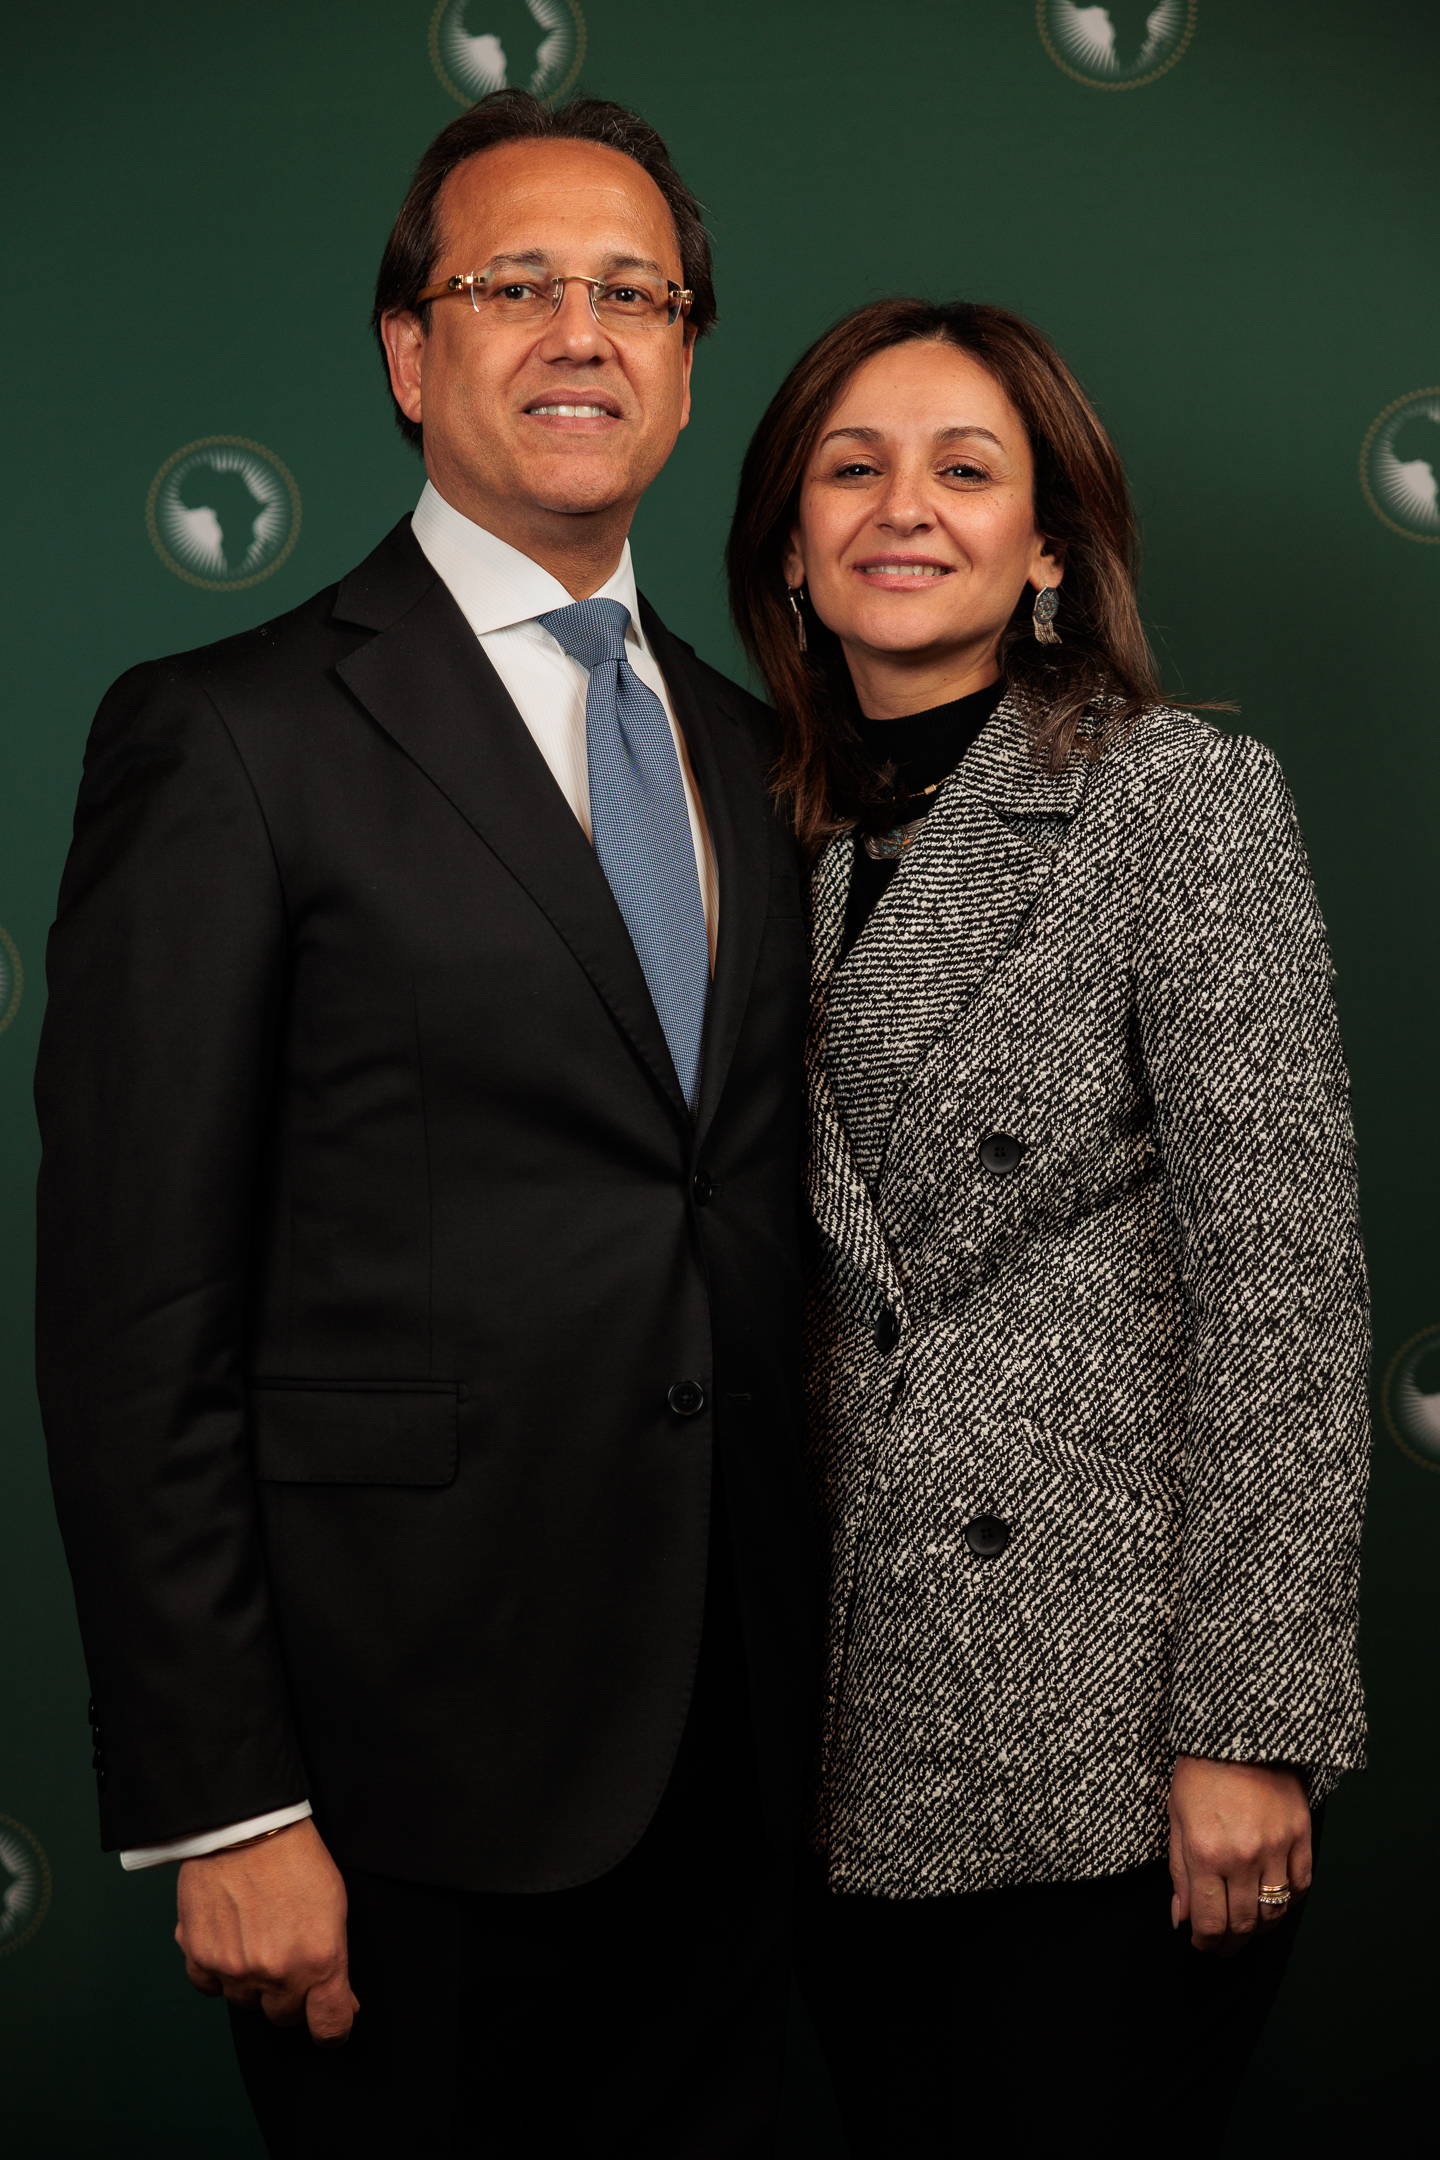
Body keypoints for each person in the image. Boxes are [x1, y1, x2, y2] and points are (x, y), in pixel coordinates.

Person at [37, 91, 816, 2158]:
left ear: (684, 370)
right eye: (517, 285)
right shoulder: (228, 737)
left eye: (636, 295)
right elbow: (134, 1315)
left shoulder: (754, 752)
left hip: (743, 1768)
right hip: (393, 1795)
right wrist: (228, 1803)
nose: (584, 333)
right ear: (408, 352)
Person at [726, 299, 1370, 2153]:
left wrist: (1251, 1720)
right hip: (838, 1724)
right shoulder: (744, 839)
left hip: (1110, 1722)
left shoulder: (1176, 799)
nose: (902, 507)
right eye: (851, 468)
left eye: (965, 468)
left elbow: (1286, 1283)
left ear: (1050, 551)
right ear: (790, 548)